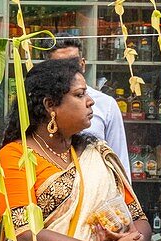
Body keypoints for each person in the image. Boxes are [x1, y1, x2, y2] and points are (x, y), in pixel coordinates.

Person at [0, 58, 151, 241]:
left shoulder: (96, 152)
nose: (91, 102)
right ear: (51, 105)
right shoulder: (15, 158)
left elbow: (136, 216)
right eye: (79, 95)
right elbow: (27, 236)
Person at [46, 38, 129, 167]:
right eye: (59, 66)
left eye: (73, 64)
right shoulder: (40, 104)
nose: (67, 71)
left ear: (83, 65)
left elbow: (119, 160)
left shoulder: (106, 105)